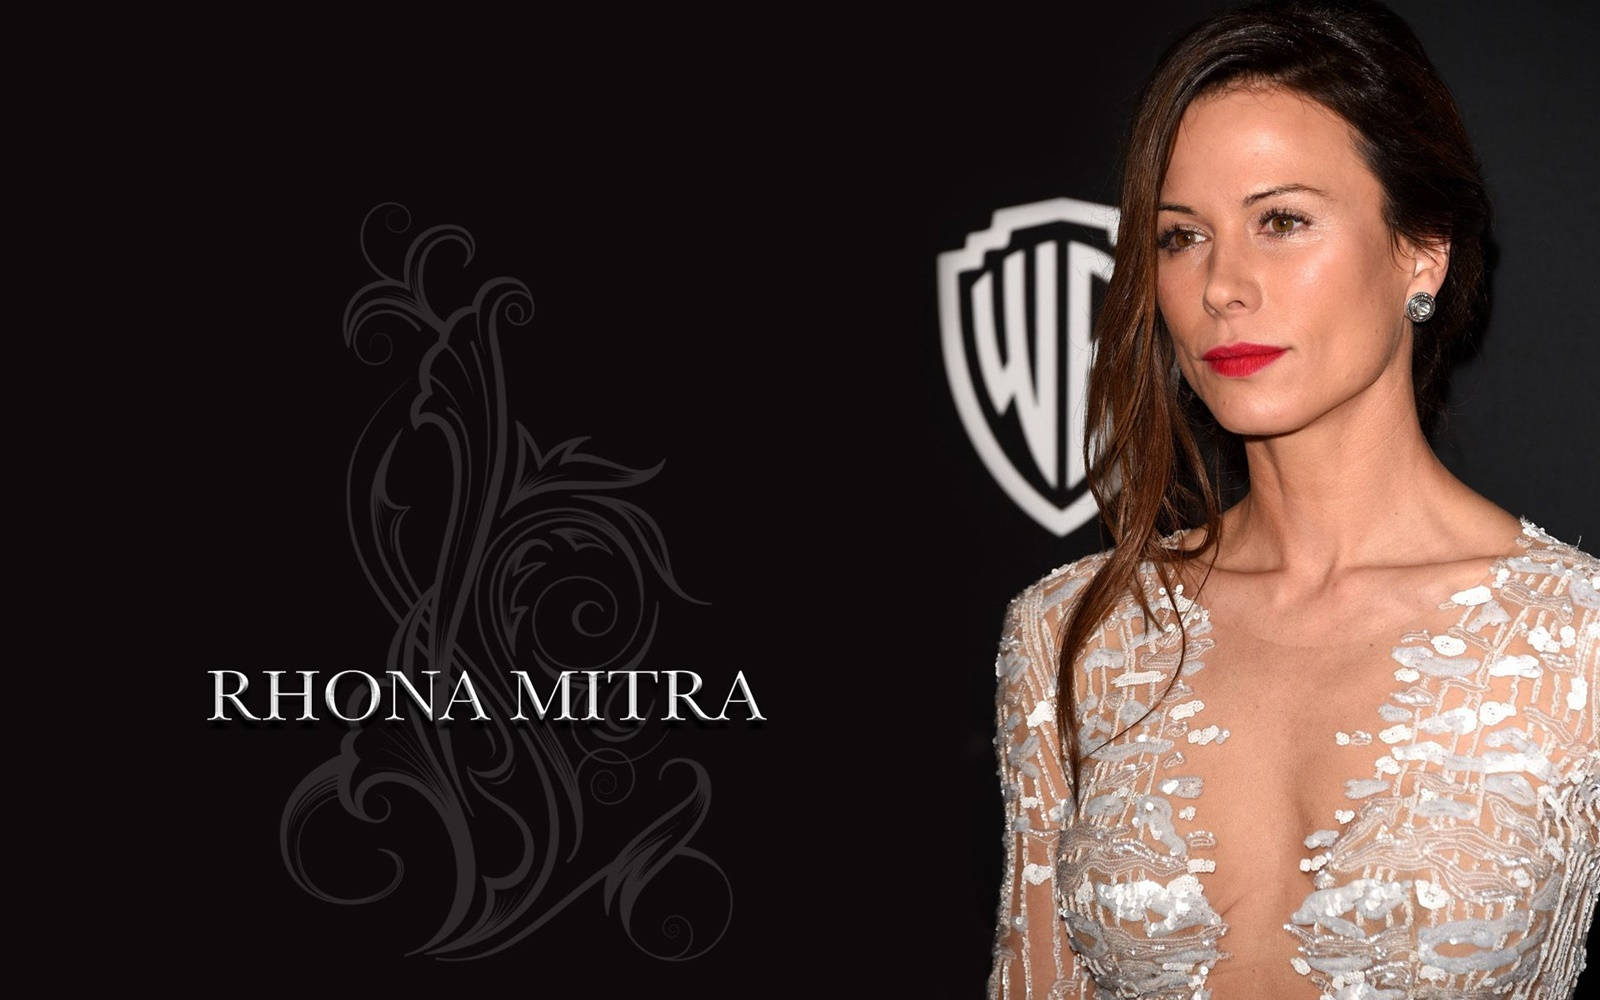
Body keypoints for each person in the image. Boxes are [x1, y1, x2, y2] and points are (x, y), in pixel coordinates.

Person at [985, 2, 1600, 998]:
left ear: (1422, 249)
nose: (1222, 285)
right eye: (1181, 236)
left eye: (1281, 221)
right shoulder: (1072, 632)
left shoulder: (1579, 647)